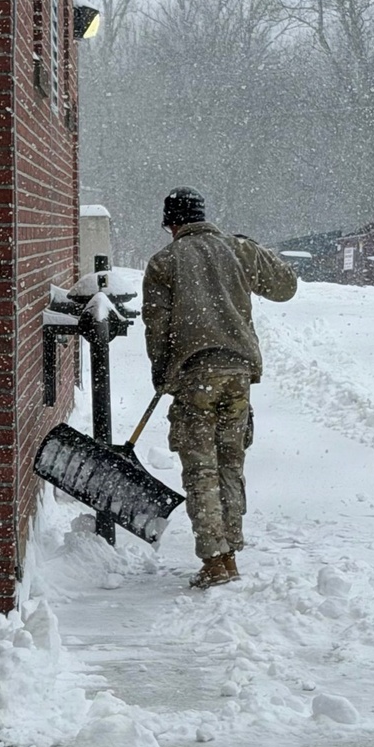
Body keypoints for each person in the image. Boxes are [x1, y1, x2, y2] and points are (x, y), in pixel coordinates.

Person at [142, 188, 298, 589]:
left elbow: (157, 327)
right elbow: (286, 286)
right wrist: (252, 249)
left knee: (201, 469)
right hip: (237, 375)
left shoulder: (164, 262)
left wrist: (162, 374)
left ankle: (214, 560)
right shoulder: (237, 249)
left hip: (196, 376)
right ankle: (230, 554)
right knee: (230, 462)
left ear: (171, 224)